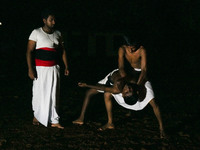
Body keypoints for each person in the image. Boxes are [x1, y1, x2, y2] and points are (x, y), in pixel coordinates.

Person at [73, 68, 165, 138]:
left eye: (126, 91)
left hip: (110, 83)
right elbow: (155, 106)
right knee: (89, 93)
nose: (127, 88)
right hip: (110, 77)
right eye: (130, 89)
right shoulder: (133, 83)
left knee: (103, 93)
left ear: (122, 95)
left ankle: (110, 123)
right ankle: (81, 118)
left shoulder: (116, 89)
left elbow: (104, 88)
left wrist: (87, 85)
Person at [26, 9, 69, 129]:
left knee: (54, 93)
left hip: (54, 68)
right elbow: (29, 51)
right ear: (44, 20)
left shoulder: (58, 33)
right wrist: (30, 68)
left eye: (54, 20)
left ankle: (54, 119)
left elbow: (62, 50)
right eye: (51, 20)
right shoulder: (36, 32)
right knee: (39, 92)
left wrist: (66, 66)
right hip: (40, 68)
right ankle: (37, 115)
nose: (54, 22)